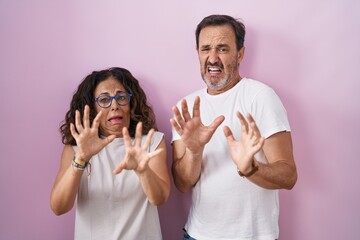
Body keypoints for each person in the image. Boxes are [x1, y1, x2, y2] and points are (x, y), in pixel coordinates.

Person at [170, 15, 297, 240]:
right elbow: (182, 184)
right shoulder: (187, 108)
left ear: (240, 54)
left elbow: (288, 175)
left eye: (222, 49)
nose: (212, 58)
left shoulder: (260, 96)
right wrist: (194, 151)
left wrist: (250, 168)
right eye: (205, 49)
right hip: (197, 235)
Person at [50, 67, 170, 239]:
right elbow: (58, 207)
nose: (114, 106)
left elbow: (159, 198)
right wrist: (81, 159)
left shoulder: (151, 141)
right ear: (92, 108)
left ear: (131, 103)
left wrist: (143, 171)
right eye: (104, 100)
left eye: (121, 98)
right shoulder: (76, 149)